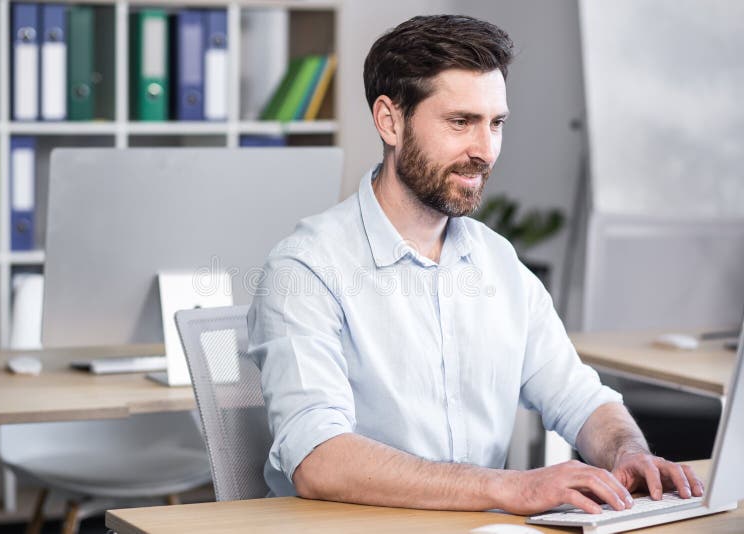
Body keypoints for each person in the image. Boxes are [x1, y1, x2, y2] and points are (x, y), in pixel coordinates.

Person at [247, 14, 703, 514]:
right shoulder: (306, 268)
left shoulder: (497, 263)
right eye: (461, 122)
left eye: (496, 124)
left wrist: (628, 453)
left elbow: (581, 399)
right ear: (389, 120)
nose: (484, 151)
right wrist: (508, 487)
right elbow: (318, 458)